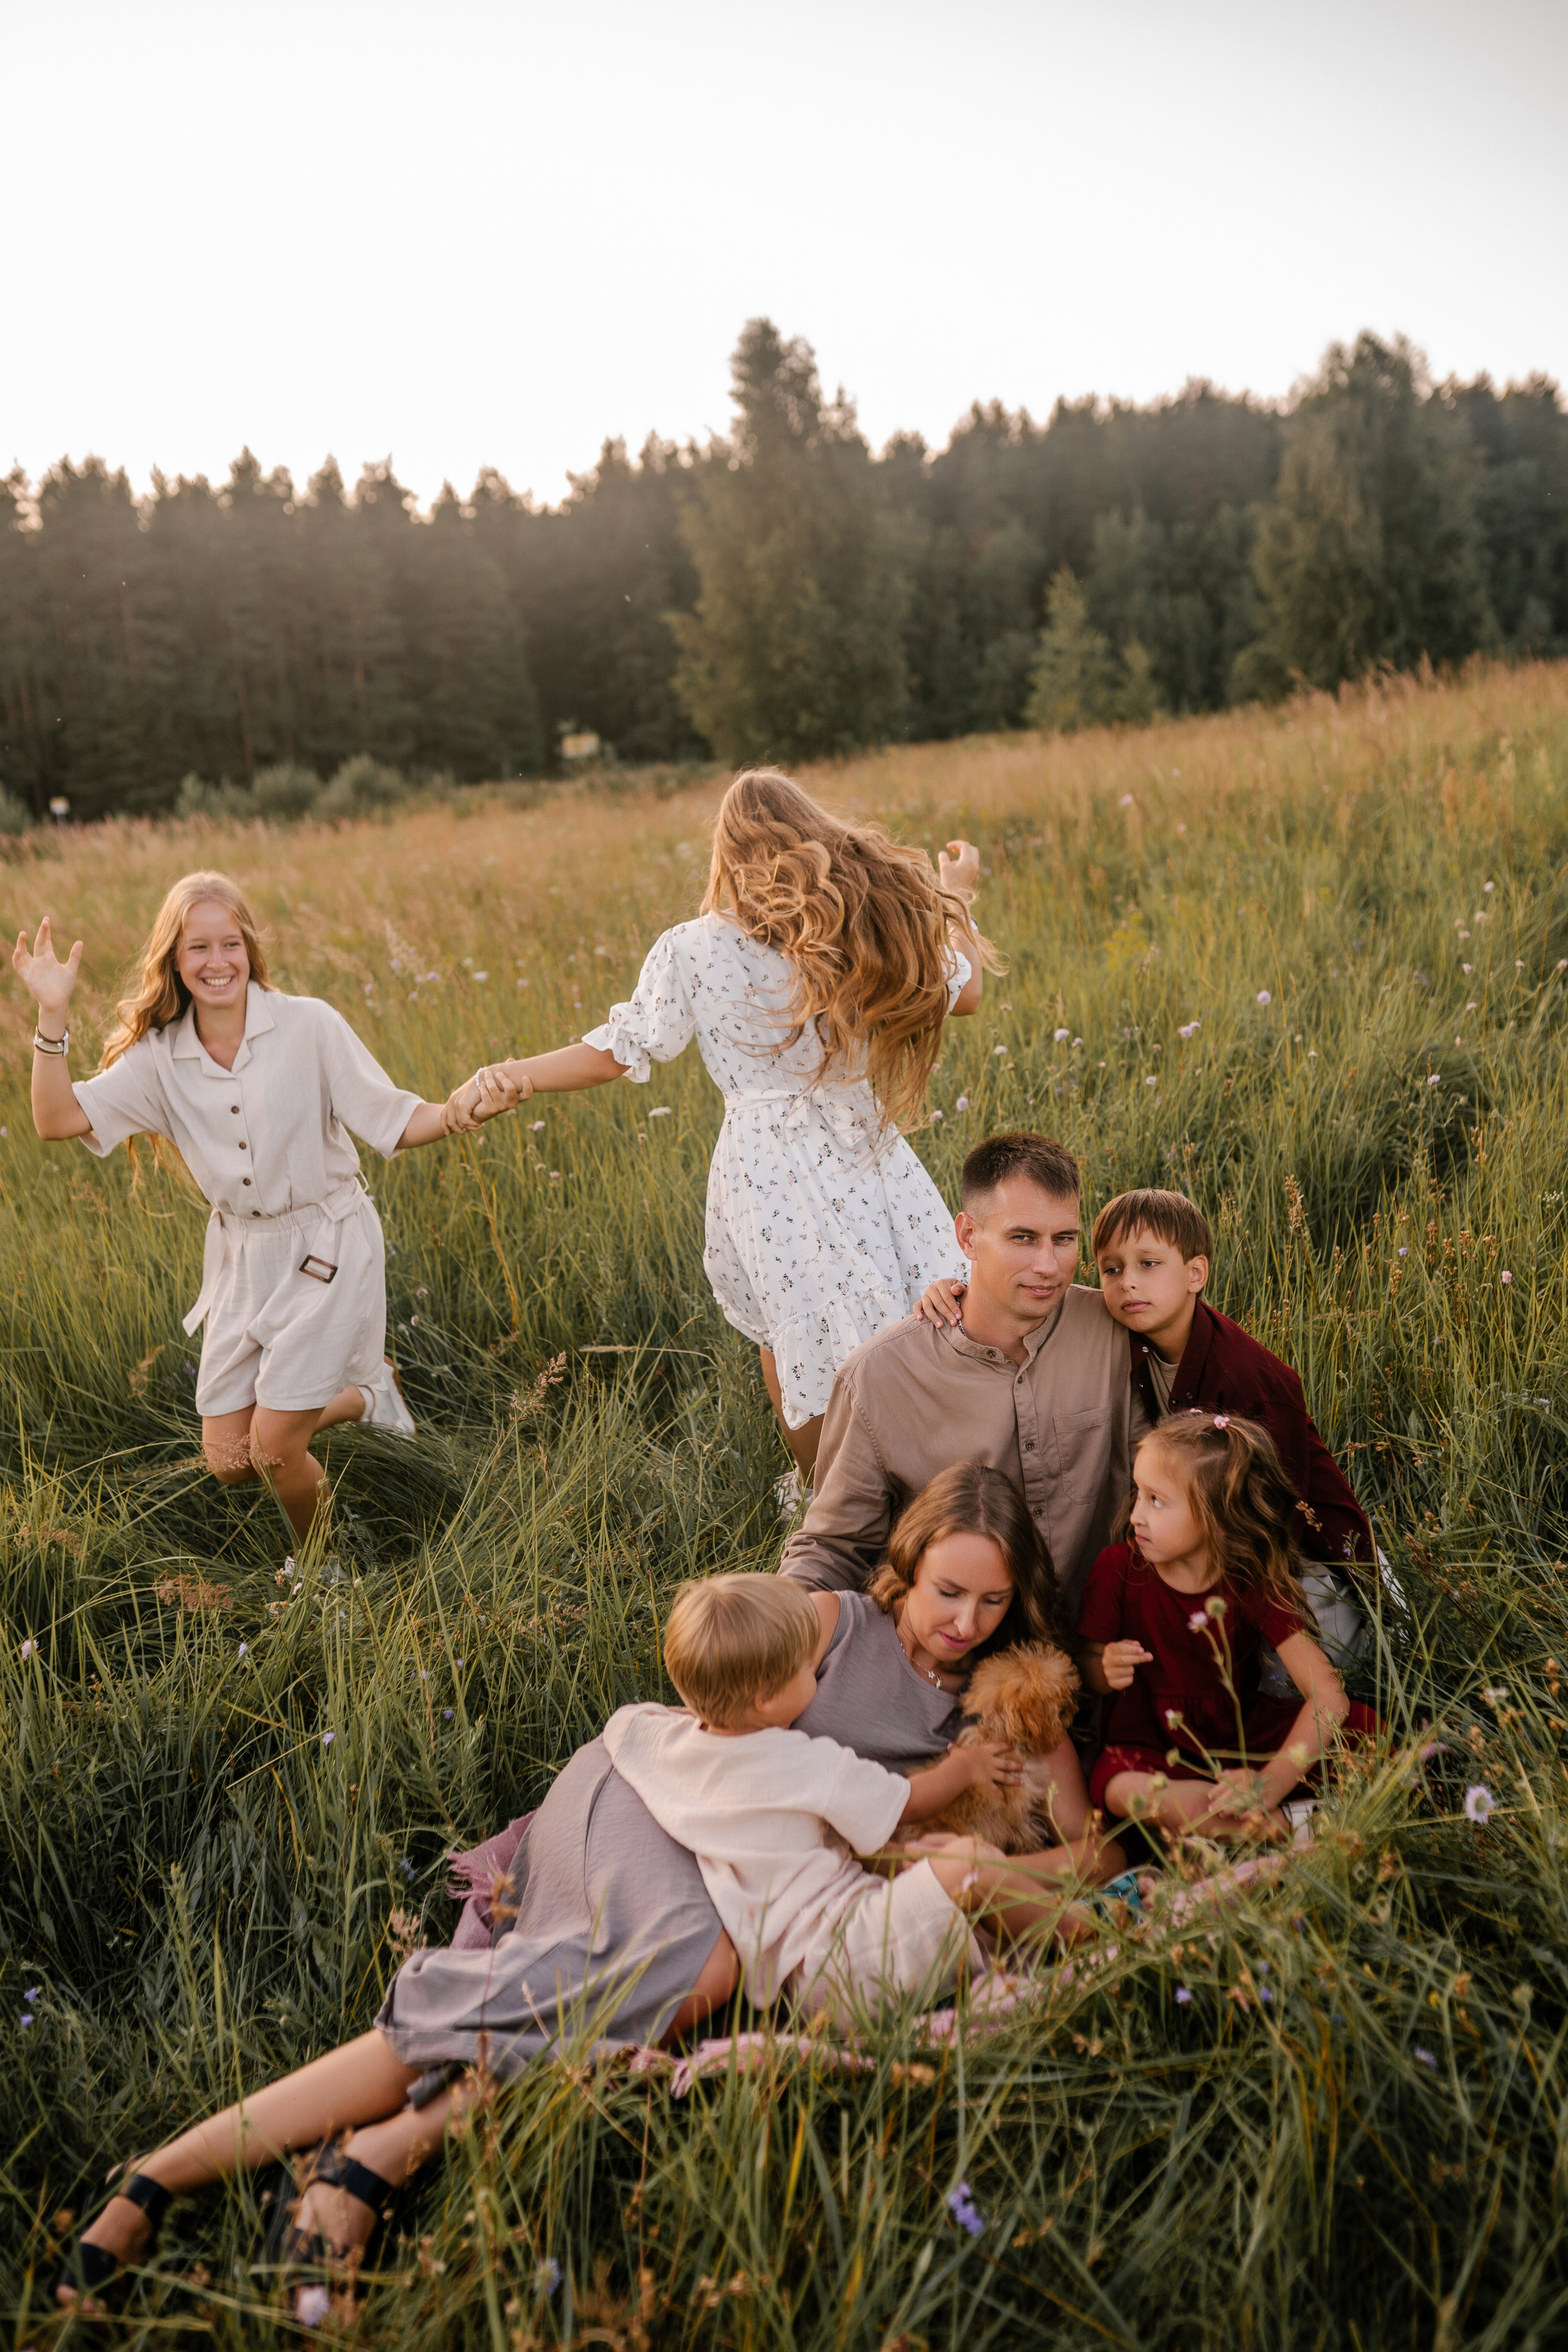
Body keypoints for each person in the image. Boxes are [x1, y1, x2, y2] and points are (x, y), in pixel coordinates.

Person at [448, 767, 993, 1479]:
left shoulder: (692, 947)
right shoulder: (861, 927)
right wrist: (960, 897)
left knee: (787, 1330)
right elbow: (969, 992)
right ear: (812, 833)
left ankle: (822, 1496)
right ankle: (941, 1468)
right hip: (863, 1144)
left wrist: (509, 1074)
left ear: (728, 854)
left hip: (763, 1166)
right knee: (911, 1304)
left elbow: (619, 1050)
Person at [12, 873, 469, 1544]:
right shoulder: (159, 1059)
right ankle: (371, 1394)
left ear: (251, 950)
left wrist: (458, 1111)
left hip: (329, 1241)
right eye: (198, 947)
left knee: (277, 1450)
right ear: (174, 960)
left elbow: (395, 1120)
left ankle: (327, 1571)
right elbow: (55, 1119)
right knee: (231, 1460)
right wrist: (52, 1017)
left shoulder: (309, 1024)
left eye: (231, 944)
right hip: (243, 1258)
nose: (217, 961)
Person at [603, 1572, 1085, 2030]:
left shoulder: (664, 1745)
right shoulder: (806, 1763)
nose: (815, 1671)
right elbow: (906, 1804)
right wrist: (963, 1769)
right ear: (766, 1701)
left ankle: (1030, 1950)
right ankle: (1094, 1937)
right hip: (843, 1958)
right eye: (803, 1668)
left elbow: (624, 1722)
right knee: (968, 1866)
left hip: (795, 1977)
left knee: (944, 1886)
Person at [781, 1131, 1150, 1616]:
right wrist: (778, 1632)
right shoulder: (879, 1377)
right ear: (968, 1237)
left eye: (1064, 1239)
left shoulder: (1116, 1330)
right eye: (1022, 1238)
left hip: (1109, 1640)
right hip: (952, 1657)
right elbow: (833, 1549)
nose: (1048, 1266)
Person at [794, 1460, 1122, 1884]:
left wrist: (983, 1870)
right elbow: (733, 1736)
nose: (967, 1625)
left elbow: (1105, 1855)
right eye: (950, 1593)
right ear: (911, 1563)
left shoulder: (1012, 1694)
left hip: (921, 1905)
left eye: (993, 1601)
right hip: (791, 1866)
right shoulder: (831, 1624)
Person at [1077, 1413, 1380, 1842]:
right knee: (1120, 1787)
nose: (1136, 1515)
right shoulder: (1118, 1570)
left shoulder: (1247, 1581)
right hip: (1151, 1751)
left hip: (1240, 1744)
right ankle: (1295, 1829)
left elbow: (1328, 1694)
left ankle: (1238, 1825)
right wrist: (1102, 1667)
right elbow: (1083, 1667)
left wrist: (1269, 1782)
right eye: (1138, 1494)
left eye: (1157, 1500)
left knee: (1369, 1732)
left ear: (1217, 1518)